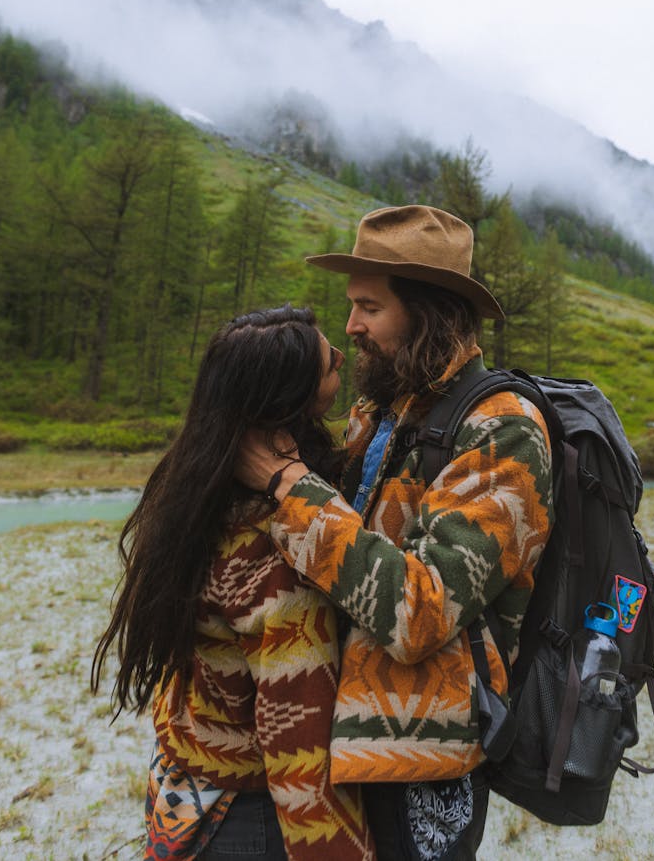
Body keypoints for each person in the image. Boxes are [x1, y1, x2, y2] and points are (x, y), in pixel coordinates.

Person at [236, 205, 555, 860]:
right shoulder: (382, 408)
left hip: (419, 758)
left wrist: (288, 486)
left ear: (429, 311)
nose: (350, 325)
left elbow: (421, 610)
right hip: (335, 741)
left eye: (369, 307)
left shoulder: (503, 429)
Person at [91, 305, 375, 861]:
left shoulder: (192, 497)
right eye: (332, 363)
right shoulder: (274, 559)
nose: (344, 351)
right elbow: (300, 746)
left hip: (184, 778)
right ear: (290, 402)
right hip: (253, 815)